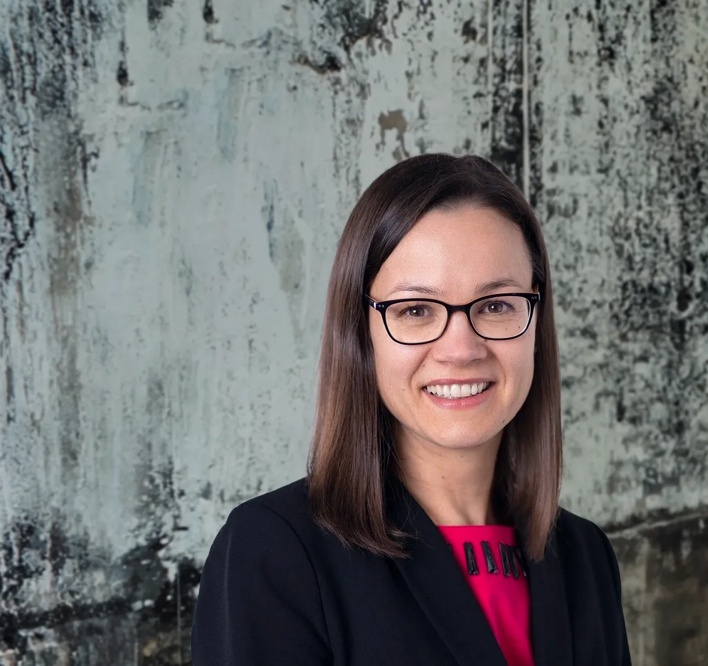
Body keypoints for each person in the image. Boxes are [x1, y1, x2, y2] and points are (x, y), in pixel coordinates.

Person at [191, 154, 631, 665]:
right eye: (416, 310)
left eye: (496, 305)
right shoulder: (275, 553)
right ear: (362, 333)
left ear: (535, 319)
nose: (461, 349)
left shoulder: (587, 557)